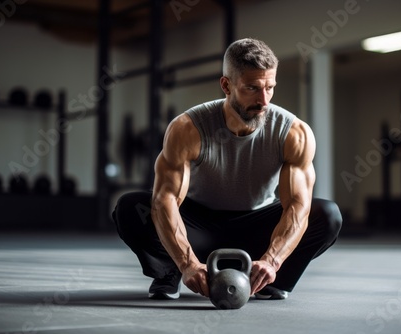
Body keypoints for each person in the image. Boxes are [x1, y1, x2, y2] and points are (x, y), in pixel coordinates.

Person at [112, 38, 342, 301]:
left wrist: (273, 260)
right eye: (252, 88)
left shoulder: (293, 132)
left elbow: (297, 206)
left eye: (270, 88)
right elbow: (166, 199)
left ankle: (267, 278)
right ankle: (171, 271)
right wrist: (187, 262)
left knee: (327, 214)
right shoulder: (188, 128)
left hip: (258, 227)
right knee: (132, 208)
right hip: (197, 226)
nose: (264, 100)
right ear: (226, 85)